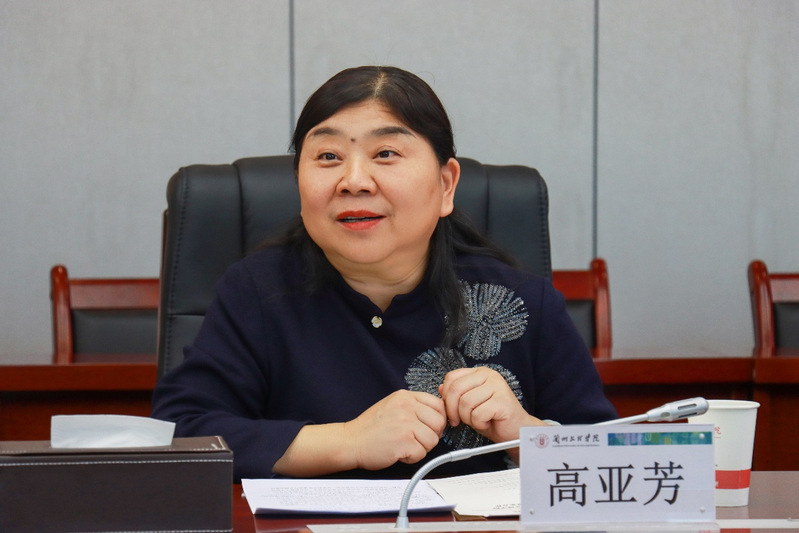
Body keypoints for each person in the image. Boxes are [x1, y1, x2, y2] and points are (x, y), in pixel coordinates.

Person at [151, 65, 617, 481]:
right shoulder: (257, 291)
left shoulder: (521, 301)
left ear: (446, 185)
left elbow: (613, 463)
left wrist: (524, 433)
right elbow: (182, 436)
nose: (354, 181)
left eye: (386, 153)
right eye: (328, 157)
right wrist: (347, 442)